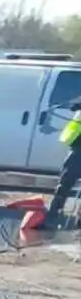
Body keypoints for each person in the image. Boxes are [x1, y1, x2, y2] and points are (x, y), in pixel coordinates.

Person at [50, 92, 81, 227]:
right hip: (78, 148)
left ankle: (79, 221)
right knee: (66, 181)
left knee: (67, 180)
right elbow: (74, 106)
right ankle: (53, 213)